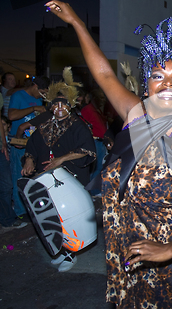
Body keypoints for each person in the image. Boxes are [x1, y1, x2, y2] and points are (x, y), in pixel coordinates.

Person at [46, 0, 172, 308]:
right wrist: (78, 24)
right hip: (136, 255)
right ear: (146, 84)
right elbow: (105, 75)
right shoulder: (137, 117)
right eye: (158, 75)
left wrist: (171, 249)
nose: (168, 84)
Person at [21, 68, 96, 272]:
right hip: (47, 180)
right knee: (51, 218)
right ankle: (62, 250)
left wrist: (62, 160)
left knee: (68, 217)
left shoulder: (77, 126)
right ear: (51, 107)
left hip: (70, 178)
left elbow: (87, 150)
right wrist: (29, 159)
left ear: (70, 106)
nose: (60, 107)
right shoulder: (45, 126)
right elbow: (32, 147)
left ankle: (70, 254)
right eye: (56, 104)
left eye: (64, 104)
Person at [8, 76, 49, 218]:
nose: (43, 96)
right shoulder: (18, 96)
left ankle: (31, 209)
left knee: (32, 178)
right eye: (42, 92)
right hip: (18, 143)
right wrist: (33, 108)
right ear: (35, 86)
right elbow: (11, 115)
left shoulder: (38, 100)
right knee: (19, 177)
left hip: (31, 143)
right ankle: (20, 212)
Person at [0, 114, 28, 231]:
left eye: (4, 124)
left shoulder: (10, 138)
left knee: (7, 187)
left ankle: (8, 219)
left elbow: (20, 142)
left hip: (3, 152)